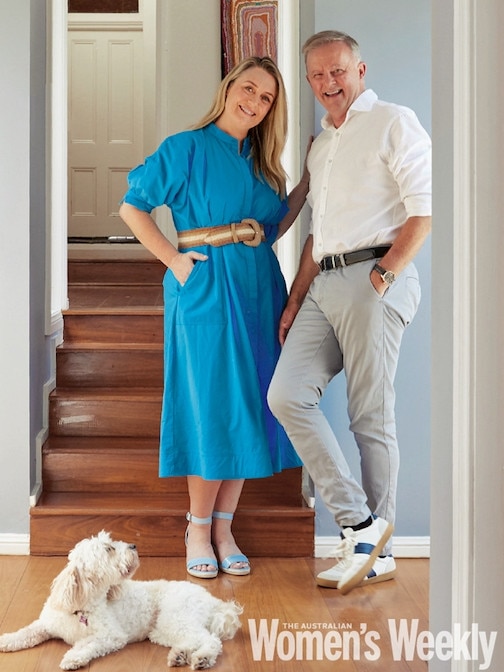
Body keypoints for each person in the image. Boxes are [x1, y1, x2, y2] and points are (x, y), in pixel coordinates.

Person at [119, 57, 308, 580]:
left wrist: (308, 182)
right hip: (204, 287)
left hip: (257, 287)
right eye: (248, 88)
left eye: (267, 97)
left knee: (249, 402)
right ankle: (197, 526)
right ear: (229, 88)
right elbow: (133, 207)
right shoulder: (185, 148)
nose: (254, 100)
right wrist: (174, 262)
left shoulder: (264, 163)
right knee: (211, 404)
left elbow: (269, 228)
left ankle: (225, 526)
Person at [268, 30, 432, 594]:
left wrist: (384, 275)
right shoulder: (320, 144)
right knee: (285, 395)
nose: (328, 83)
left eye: (337, 71)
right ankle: (359, 523)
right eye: (317, 75)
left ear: (360, 69)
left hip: (372, 277)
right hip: (323, 281)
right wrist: (295, 296)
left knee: (369, 413)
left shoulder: (393, 121)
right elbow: (317, 231)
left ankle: (375, 550)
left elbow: (425, 208)